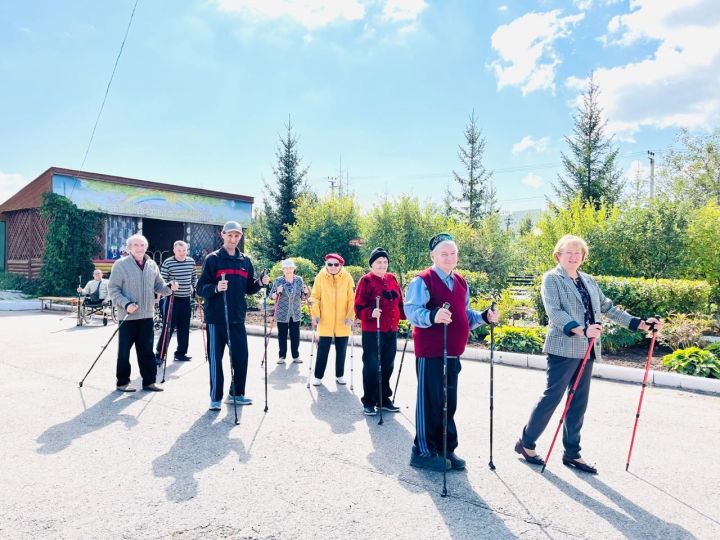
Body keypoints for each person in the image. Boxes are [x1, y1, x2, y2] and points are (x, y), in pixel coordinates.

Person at [514, 234, 662, 474]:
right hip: (564, 347)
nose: (573, 257)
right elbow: (555, 312)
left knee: (578, 402)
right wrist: (581, 329)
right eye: (568, 252)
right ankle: (526, 443)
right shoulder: (552, 279)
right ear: (558, 255)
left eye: (577, 253)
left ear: (583, 256)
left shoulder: (589, 280)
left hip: (588, 348)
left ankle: (572, 453)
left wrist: (640, 324)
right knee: (553, 396)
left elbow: (608, 308)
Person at [404, 233, 499, 472]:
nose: (449, 257)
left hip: (453, 352)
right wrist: (432, 316)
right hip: (431, 352)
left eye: (453, 253)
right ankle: (424, 452)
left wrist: (484, 317)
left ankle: (446, 447)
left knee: (449, 403)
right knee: (430, 401)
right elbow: (412, 312)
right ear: (433, 256)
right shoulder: (422, 280)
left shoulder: (460, 282)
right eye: (444, 253)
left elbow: (465, 315)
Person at [196, 221, 269, 411]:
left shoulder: (245, 261)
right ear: (223, 235)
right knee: (215, 360)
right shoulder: (213, 259)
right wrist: (215, 288)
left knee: (241, 357)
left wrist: (260, 282)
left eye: (237, 236)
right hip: (216, 318)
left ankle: (236, 393)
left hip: (237, 318)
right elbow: (200, 287)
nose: (233, 239)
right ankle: (215, 398)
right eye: (230, 235)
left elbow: (249, 288)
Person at [108, 234, 178, 392]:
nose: (140, 248)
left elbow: (159, 286)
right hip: (128, 316)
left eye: (142, 245)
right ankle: (123, 382)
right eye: (136, 245)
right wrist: (126, 304)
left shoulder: (152, 264)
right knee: (124, 352)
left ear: (146, 247)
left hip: (147, 315)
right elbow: (113, 289)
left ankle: (149, 382)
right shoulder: (120, 265)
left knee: (146, 350)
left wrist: (169, 287)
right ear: (129, 248)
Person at [354, 247, 406, 416]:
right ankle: (368, 401)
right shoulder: (366, 280)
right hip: (372, 331)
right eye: (378, 262)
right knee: (371, 366)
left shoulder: (392, 278)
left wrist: (408, 314)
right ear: (372, 264)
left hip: (391, 330)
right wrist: (370, 312)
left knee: (388, 365)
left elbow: (400, 302)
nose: (382, 265)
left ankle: (383, 400)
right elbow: (358, 307)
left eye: (385, 262)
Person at [309, 253, 355, 386]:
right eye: (330, 264)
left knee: (342, 350)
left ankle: (339, 375)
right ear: (326, 265)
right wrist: (315, 314)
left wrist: (350, 316)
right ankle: (318, 376)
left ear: (341, 265)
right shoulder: (320, 276)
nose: (333, 267)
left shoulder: (347, 277)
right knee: (323, 349)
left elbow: (352, 299)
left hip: (343, 321)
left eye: (336, 264)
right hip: (325, 320)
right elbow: (315, 297)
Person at [154, 240, 198, 363]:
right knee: (168, 327)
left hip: (185, 299)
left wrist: (197, 286)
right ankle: (159, 354)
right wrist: (170, 285)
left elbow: (194, 278)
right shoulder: (168, 263)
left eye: (184, 250)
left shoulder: (191, 262)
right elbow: (161, 282)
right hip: (171, 299)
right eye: (179, 250)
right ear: (174, 251)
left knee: (184, 327)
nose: (182, 253)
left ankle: (180, 353)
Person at [269, 259, 309, 364]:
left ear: (294, 269)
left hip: (295, 313)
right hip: (282, 313)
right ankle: (282, 356)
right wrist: (277, 292)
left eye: (290, 268)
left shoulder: (299, 280)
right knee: (282, 335)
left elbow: (303, 295)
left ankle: (296, 356)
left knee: (295, 335)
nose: (288, 270)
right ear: (282, 270)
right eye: (286, 268)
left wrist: (306, 292)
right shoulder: (278, 281)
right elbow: (271, 296)